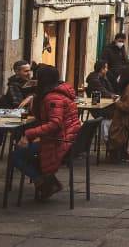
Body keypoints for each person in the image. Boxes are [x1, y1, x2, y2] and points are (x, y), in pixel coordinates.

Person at [12, 65, 81, 200]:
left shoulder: (52, 97)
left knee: (17, 155)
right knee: (27, 150)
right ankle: (48, 180)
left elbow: (54, 124)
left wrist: (29, 134)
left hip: (60, 141)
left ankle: (43, 182)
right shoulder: (59, 93)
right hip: (67, 137)